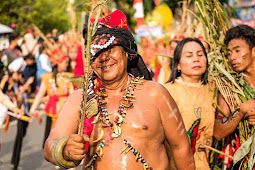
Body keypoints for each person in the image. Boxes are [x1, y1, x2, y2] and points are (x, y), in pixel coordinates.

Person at [43, 10, 195, 170]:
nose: (104, 58)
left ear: (127, 53)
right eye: (96, 52)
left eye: (110, 49)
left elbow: (181, 148)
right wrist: (65, 150)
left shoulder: (155, 93)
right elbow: (49, 145)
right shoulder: (80, 99)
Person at [164, 38, 215, 170]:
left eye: (200, 54)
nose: (196, 59)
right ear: (178, 65)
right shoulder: (166, 92)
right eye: (189, 56)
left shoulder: (214, 91)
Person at [213, 25, 255, 169]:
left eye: (237, 51)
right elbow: (218, 132)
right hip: (244, 161)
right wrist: (242, 111)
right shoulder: (228, 87)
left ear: (254, 51)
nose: (232, 57)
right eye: (229, 53)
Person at [29, 48, 73, 148]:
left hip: (66, 109)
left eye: (67, 62)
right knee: (51, 133)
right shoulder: (48, 78)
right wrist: (32, 109)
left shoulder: (69, 76)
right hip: (53, 109)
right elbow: (40, 94)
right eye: (64, 62)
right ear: (58, 63)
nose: (66, 64)